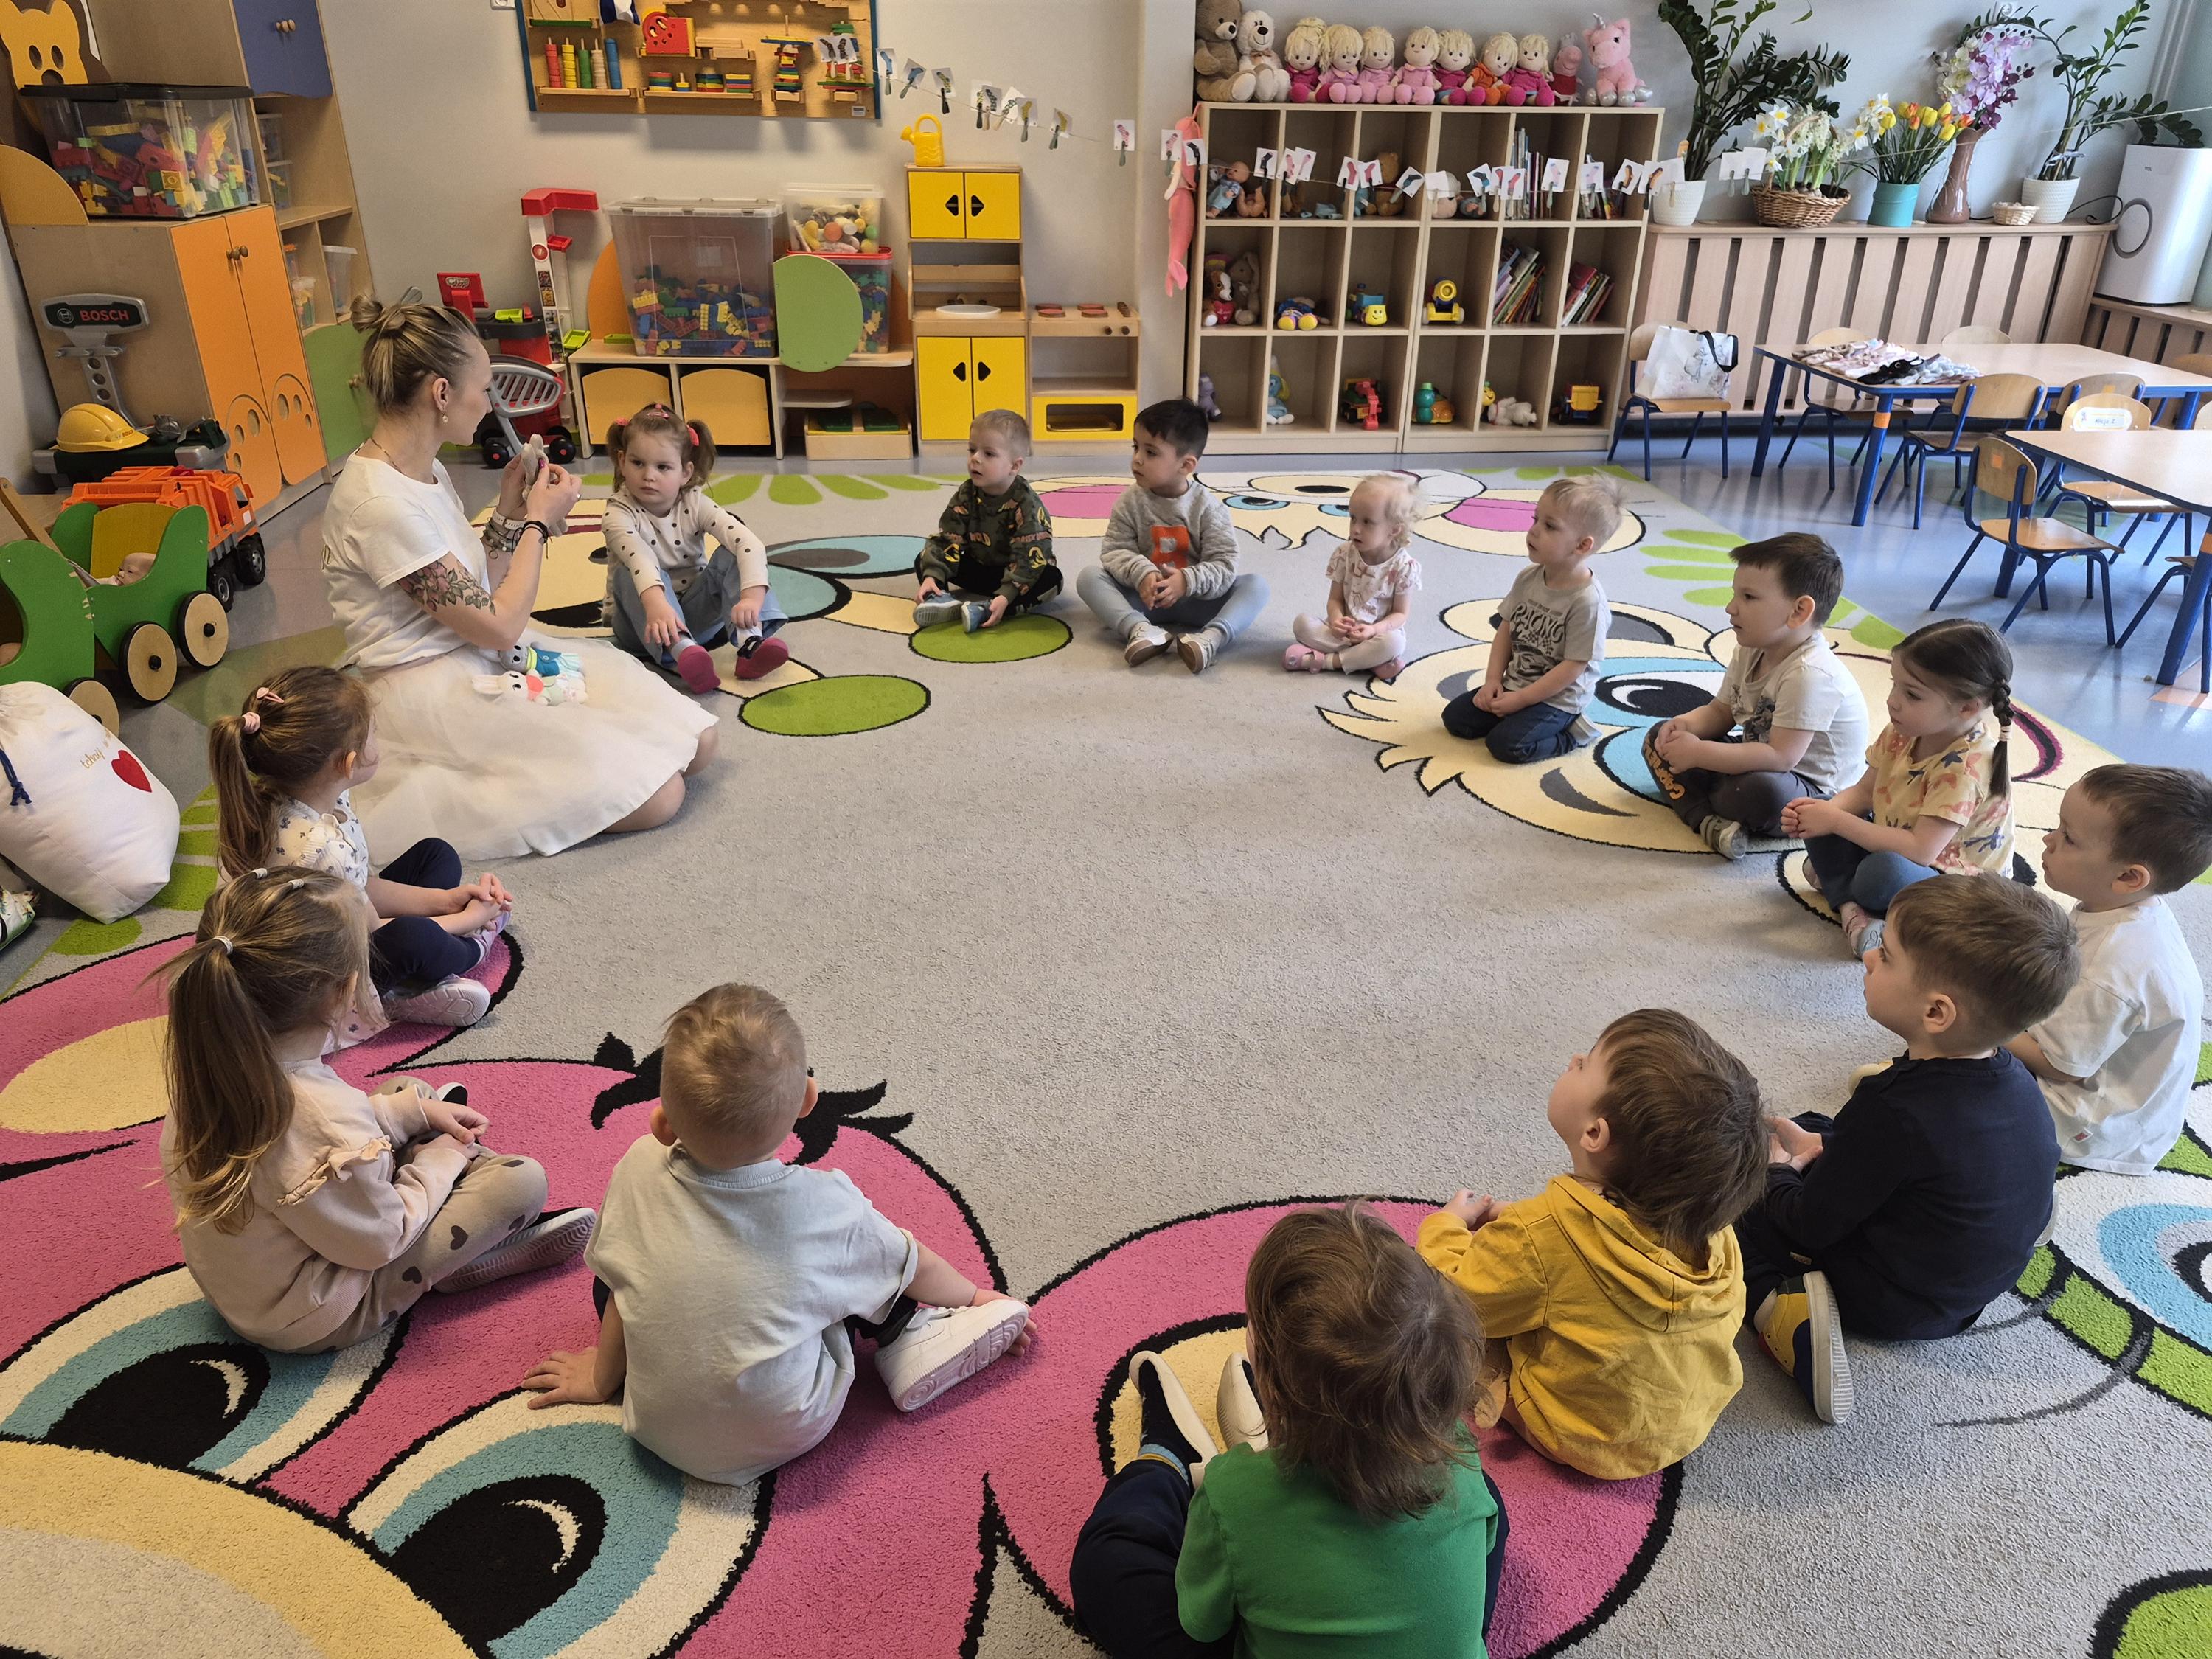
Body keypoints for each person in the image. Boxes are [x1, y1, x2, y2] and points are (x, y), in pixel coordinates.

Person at [520, 984, 1034, 1481]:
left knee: (618, 1269)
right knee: (864, 1260)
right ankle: (909, 1336)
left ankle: (649, 1368)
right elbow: (913, 1262)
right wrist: (976, 1298)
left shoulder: (639, 1163)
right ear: (809, 1100)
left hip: (655, 1424)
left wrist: (600, 1380)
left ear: (662, 1125)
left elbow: (622, 1286)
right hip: (786, 1426)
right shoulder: (826, 1206)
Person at [320, 297, 717, 860]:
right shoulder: (379, 503)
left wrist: (508, 512)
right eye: (484, 389)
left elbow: (474, 590)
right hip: (434, 692)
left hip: (483, 655)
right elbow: (499, 623)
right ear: (441, 394)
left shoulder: (424, 471)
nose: (490, 404)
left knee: (697, 740)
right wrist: (536, 522)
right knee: (660, 794)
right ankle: (478, 788)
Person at [158, 868, 591, 1352]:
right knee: (520, 1182)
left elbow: (314, 1142)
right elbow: (382, 1238)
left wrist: (416, 1114)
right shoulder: (323, 1118)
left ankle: (455, 1206)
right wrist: (440, 1162)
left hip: (257, 1288)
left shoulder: (215, 1066)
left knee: (411, 1093)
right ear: (345, 990)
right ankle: (459, 1254)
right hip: (318, 1312)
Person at [1070, 1203, 1505, 1658]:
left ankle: (1165, 1457)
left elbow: (1203, 1623)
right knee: (1484, 1502)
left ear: (1273, 1386)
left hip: (1243, 1524)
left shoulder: (1232, 1495)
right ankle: (1276, 1446)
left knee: (1106, 1563)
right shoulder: (1462, 1460)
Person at [1742, 874, 2078, 1425]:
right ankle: (2012, 1214)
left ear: (1937, 1013)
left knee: (1736, 1201)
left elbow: (1807, 1225)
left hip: (1889, 1301)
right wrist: (1825, 1148)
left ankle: (1784, 1318)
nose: (1870, 956)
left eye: (1888, 955)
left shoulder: (1891, 1107)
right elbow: (1896, 1150)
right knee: (1818, 1128)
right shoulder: (2016, 1077)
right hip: (1969, 1290)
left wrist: (1779, 1173)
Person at [1418, 1009, 1767, 1478]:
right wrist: (1529, 1227)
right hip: (1685, 1424)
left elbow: (1456, 1297)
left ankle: (1517, 1407)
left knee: (1441, 1336)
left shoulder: (1540, 1236)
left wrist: (1445, 1227)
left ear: (1594, 1133)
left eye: (1585, 1064)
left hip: (1582, 1435)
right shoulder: (1710, 1224)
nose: (1573, 1059)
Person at [210, 666, 511, 1029]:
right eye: (374, 734)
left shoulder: (281, 798)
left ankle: (410, 982)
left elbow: (362, 889)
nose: (378, 741)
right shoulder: (323, 850)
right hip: (315, 981)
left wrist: (447, 901)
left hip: (326, 931)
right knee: (414, 937)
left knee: (436, 854)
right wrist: (468, 920)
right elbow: (372, 928)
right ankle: (463, 953)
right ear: (349, 763)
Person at [2009, 765, 2212, 1175]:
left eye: (2068, 837)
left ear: (2127, 877)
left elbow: (2058, 1066)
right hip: (2120, 1097)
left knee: (1957, 1060)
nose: (2048, 840)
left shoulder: (2112, 967)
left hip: (2088, 1121)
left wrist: (1985, 1021)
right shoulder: (2124, 909)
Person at [1781, 618, 2017, 956]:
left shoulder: (1967, 767)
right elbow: (1863, 794)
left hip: (1956, 890)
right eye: (1895, 684)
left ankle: (1843, 888)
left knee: (1881, 872)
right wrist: (1821, 815)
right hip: (1900, 849)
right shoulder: (1903, 731)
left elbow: (1921, 851)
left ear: (1967, 708)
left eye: (1912, 694)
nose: (1893, 701)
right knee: (1821, 805)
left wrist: (1835, 822)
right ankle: (1852, 905)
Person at [1643, 533, 1869, 859]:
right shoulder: (1751, 648)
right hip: (1757, 756)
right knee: (1659, 738)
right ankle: (1707, 820)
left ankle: (1700, 803)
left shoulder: (1810, 674)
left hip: (1807, 788)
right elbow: (1720, 712)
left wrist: (1700, 755)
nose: (1730, 607)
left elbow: (1781, 758)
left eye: (1748, 597)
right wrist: (1686, 727)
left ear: (1799, 611)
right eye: (1735, 594)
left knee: (1756, 792)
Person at [602, 403, 790, 694]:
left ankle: (750, 641)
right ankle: (682, 652)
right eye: (638, 463)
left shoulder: (695, 502)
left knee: (730, 554)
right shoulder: (617, 513)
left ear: (685, 472)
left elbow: (748, 543)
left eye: (663, 467)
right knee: (627, 573)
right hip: (642, 624)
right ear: (622, 461)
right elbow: (641, 560)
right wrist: (658, 607)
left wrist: (751, 600)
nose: (649, 475)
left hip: (694, 613)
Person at [1076, 398, 1267, 675]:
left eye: (1151, 452)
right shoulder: (1129, 502)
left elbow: (1224, 565)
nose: (1137, 458)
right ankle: (1141, 631)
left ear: (1186, 465)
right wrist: (1142, 573)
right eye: (1135, 447)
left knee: (1256, 586)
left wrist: (1187, 581)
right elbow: (1114, 551)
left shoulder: (1208, 509)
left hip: (1197, 602)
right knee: (1089, 578)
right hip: (1146, 600)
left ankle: (1210, 639)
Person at [1440, 476, 1620, 762]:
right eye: (1536, 519)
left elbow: (1573, 667)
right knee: (1456, 718)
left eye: (1550, 526)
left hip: (1558, 700)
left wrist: (1521, 700)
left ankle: (1573, 735)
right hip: (1517, 683)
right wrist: (1492, 681)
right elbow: (1506, 629)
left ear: (1582, 545)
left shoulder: (1588, 603)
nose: (1533, 530)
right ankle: (1518, 718)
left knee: (1506, 745)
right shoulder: (1528, 578)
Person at [913, 408, 1061, 633]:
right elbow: (949, 537)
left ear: (1014, 466)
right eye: (972, 450)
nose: (975, 458)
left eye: (989, 454)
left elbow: (1031, 555)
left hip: (1017, 573)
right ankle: (939, 598)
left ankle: (990, 609)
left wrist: (1007, 595)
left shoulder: (1027, 504)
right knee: (925, 559)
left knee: (1052, 579)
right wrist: (933, 575)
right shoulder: (967, 493)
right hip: (982, 569)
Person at [1283, 473, 1421, 681]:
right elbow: (1335, 600)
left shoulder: (1405, 567)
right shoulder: (1344, 554)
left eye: (1367, 522)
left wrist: (1373, 630)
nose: (1356, 529)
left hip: (1377, 636)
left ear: (1394, 529)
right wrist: (1336, 621)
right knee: (1301, 624)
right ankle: (1367, 661)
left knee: (1394, 644)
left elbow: (1400, 614)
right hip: (1342, 636)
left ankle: (1327, 661)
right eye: (1353, 518)